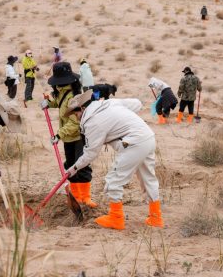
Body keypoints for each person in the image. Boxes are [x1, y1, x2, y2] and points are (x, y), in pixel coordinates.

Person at [64, 90, 163, 230]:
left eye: (76, 114)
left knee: (114, 181)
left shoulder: (92, 122)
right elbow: (137, 104)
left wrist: (73, 168)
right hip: (148, 137)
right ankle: (156, 218)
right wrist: (121, 119)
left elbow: (91, 153)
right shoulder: (109, 103)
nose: (77, 117)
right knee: (148, 179)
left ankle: (116, 218)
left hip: (133, 143)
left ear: (83, 108)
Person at [41, 62, 96, 207]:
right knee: (71, 166)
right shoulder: (62, 91)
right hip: (68, 138)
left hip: (78, 137)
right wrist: (48, 103)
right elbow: (59, 104)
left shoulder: (74, 97)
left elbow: (74, 123)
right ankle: (76, 197)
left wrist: (59, 135)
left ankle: (86, 197)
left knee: (81, 166)